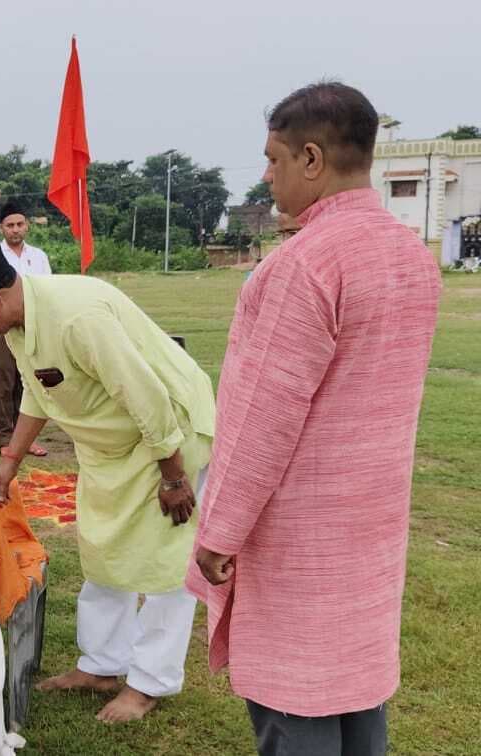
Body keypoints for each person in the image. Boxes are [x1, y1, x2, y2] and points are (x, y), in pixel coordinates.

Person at [187, 82, 441, 755]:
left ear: (310, 158)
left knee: (297, 697)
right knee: (357, 697)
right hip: (370, 523)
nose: (267, 176)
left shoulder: (302, 265)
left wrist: (220, 531)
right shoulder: (411, 255)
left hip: (300, 532)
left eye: (272, 160)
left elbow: (258, 423)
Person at [0, 240, 215, 722]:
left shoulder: (76, 318)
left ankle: (149, 683)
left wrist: (173, 477)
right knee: (103, 550)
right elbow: (41, 392)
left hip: (167, 438)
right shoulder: (19, 324)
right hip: (112, 448)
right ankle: (102, 666)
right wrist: (11, 459)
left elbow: (147, 396)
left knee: (167, 565)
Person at [0, 201, 53, 457]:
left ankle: (25, 439)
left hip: (31, 324)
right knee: (4, 382)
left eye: (19, 224)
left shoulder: (38, 256)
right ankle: (5, 438)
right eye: (9, 225)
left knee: (29, 381)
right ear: (1, 228)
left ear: (26, 226)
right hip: (0, 326)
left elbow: (47, 290)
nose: (15, 230)